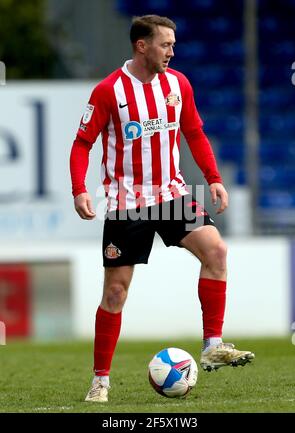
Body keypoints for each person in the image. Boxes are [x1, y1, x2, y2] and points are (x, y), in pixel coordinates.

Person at [70, 15, 255, 403]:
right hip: (127, 204)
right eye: (165, 44)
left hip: (172, 195)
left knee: (216, 251)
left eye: (173, 45)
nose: (172, 51)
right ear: (142, 46)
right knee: (116, 293)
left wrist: (214, 177)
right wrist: (79, 190)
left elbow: (193, 131)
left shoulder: (178, 84)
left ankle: (212, 345)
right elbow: (82, 144)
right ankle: (100, 380)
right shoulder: (109, 91)